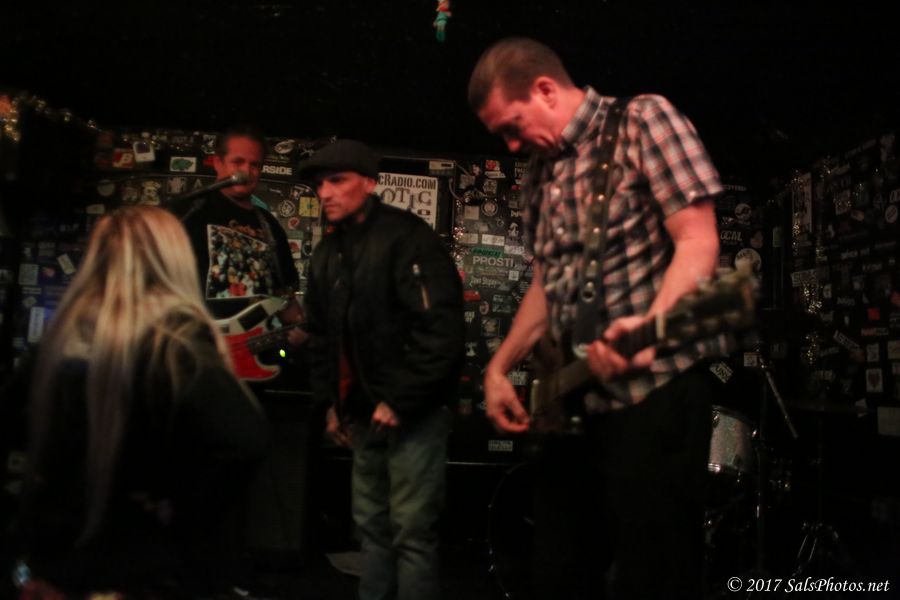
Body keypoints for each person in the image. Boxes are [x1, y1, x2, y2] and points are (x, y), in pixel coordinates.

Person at [469, 38, 725, 599]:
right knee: (558, 574)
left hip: (652, 395)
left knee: (655, 579)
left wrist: (651, 329)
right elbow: (548, 283)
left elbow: (698, 240)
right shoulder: (537, 175)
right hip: (572, 404)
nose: (511, 145)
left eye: (512, 127)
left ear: (544, 90)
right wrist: (499, 367)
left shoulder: (643, 120)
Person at [5, 206, 269, 599]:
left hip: (59, 560)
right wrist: (181, 508)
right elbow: (243, 438)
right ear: (175, 260)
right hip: (145, 568)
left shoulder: (58, 340)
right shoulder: (173, 344)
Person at [299, 139, 464, 600]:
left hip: (413, 412)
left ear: (369, 183)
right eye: (319, 184)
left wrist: (400, 400)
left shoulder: (407, 237)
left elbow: (442, 330)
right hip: (362, 411)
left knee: (411, 532)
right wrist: (332, 405)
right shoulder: (327, 253)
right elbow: (322, 338)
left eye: (337, 180)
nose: (325, 192)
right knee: (371, 530)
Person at [168, 124, 305, 337]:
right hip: (198, 346)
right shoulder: (187, 213)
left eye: (254, 165)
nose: (246, 171)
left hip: (256, 347)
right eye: (238, 162)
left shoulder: (269, 225)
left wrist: (301, 329)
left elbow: (285, 297)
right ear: (218, 162)